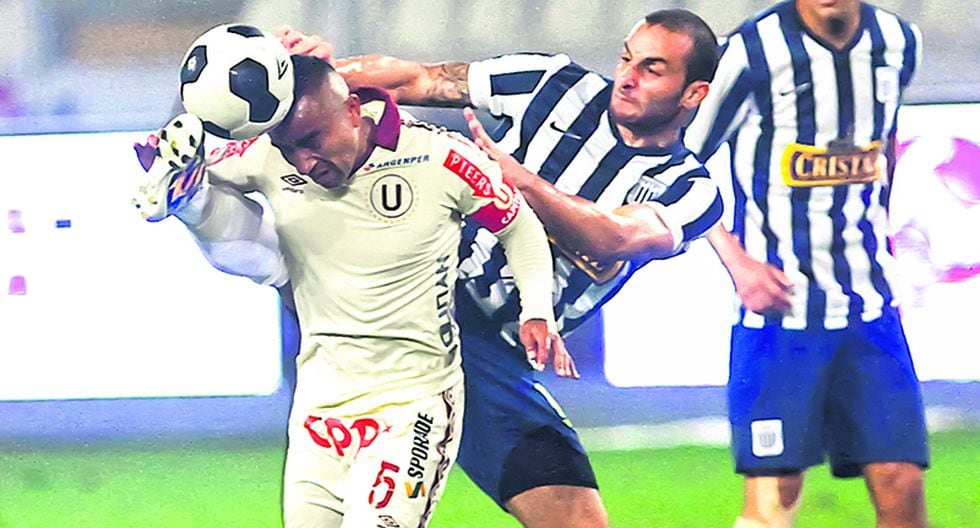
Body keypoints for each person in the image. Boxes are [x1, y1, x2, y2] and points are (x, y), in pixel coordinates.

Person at [277, 8, 724, 527]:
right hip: (423, 306)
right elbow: (418, 78)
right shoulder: (552, 83)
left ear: (694, 93)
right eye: (627, 59)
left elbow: (617, 236)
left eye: (652, 69)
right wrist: (316, 80)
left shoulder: (691, 190)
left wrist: (523, 183)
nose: (627, 77)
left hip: (499, 359)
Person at [134, 55, 565, 527]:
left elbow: (518, 224)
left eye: (313, 141)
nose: (304, 162)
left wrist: (536, 310)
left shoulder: (440, 157)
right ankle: (191, 201)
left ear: (354, 110)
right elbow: (201, 164)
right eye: (289, 148)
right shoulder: (267, 154)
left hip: (413, 406)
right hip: (319, 407)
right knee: (220, 213)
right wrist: (171, 169)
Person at [682, 1, 928, 526]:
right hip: (779, 315)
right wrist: (738, 265)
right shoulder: (750, 52)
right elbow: (678, 162)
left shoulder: (898, 42)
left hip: (869, 308)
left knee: (902, 482)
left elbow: (884, 141)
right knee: (776, 492)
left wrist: (881, 235)